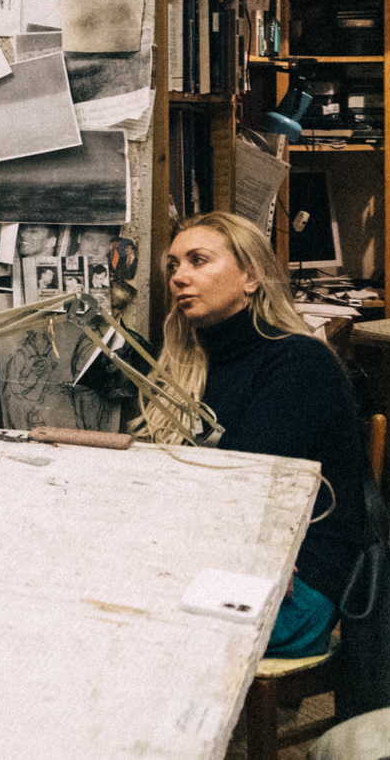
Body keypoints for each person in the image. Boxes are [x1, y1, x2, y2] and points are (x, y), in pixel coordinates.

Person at [145, 212, 367, 658]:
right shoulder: (191, 365)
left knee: (137, 627)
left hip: (301, 587)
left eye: (198, 260)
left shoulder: (297, 363)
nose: (179, 277)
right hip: (228, 570)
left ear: (250, 276)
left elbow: (246, 493)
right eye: (173, 265)